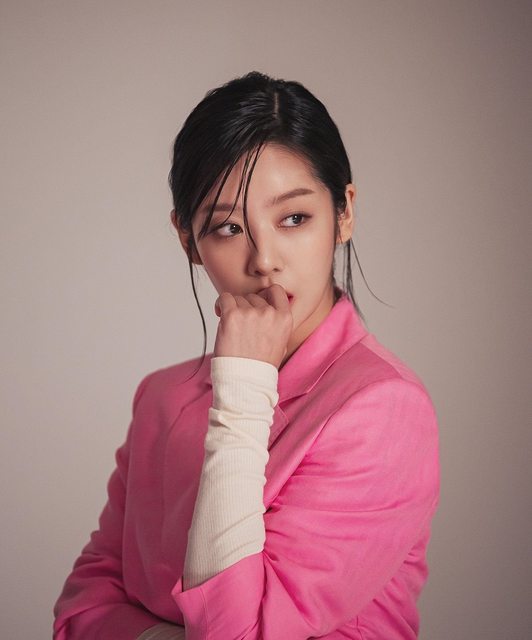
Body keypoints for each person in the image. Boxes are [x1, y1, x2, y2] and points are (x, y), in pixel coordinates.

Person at [53, 71, 440, 640]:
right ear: (188, 240)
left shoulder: (383, 409)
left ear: (345, 212)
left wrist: (242, 392)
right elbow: (81, 609)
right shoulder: (161, 398)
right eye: (228, 227)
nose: (264, 260)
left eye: (294, 218)